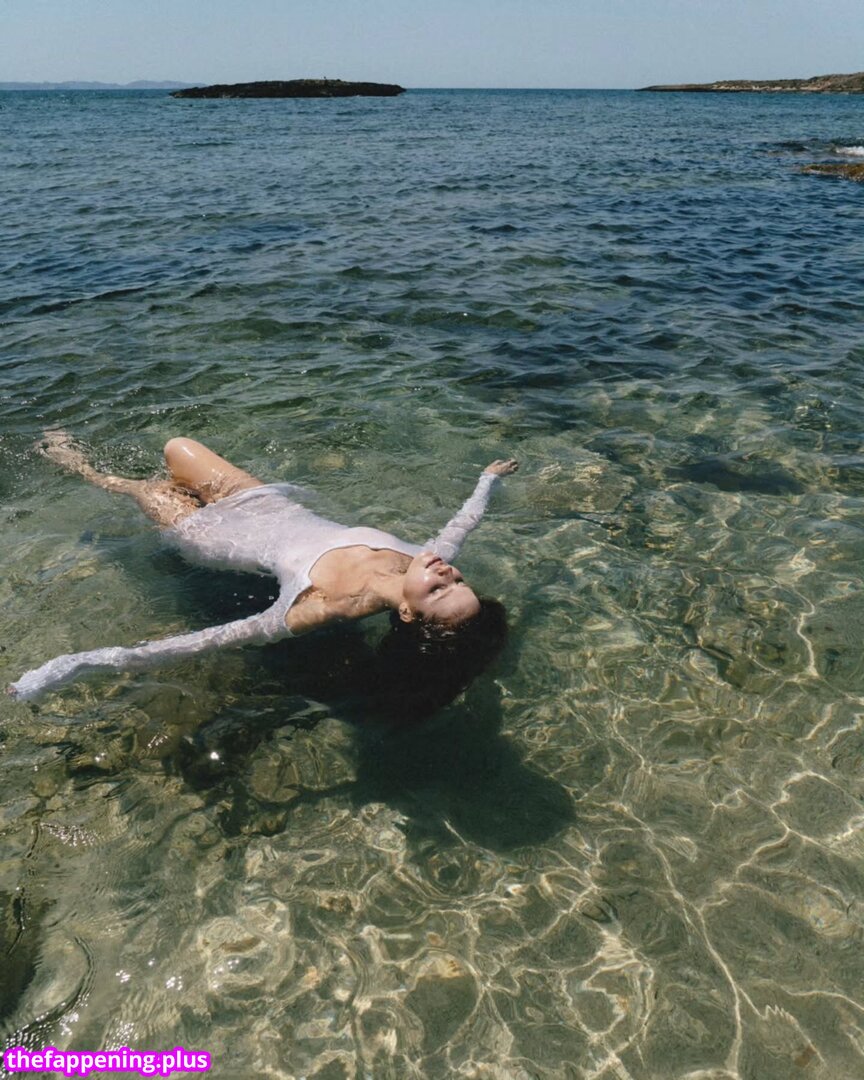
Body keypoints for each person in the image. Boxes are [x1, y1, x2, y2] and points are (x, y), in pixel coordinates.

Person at [8, 432, 517, 701]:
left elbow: (208, 641)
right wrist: (487, 479)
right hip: (263, 503)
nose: (446, 573)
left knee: (142, 488)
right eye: (457, 579)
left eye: (439, 590)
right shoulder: (430, 558)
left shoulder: (324, 606)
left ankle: (78, 465)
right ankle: (145, 486)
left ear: (407, 612)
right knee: (177, 447)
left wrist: (71, 666)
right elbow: (463, 523)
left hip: (212, 536)